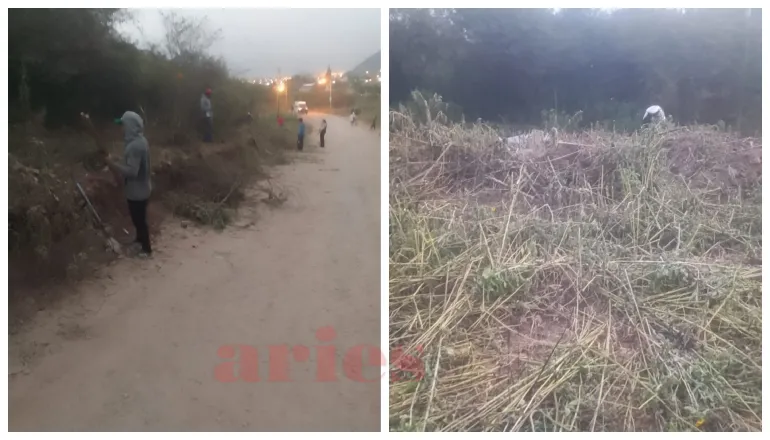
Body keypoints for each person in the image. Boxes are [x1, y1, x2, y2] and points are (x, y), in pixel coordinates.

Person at [106, 111, 152, 257]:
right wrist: (118, 160)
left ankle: (146, 249)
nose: (121, 129)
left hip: (137, 191)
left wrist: (112, 165)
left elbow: (132, 172)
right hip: (142, 188)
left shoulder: (135, 146)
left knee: (139, 220)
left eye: (123, 125)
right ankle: (139, 240)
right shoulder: (139, 141)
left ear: (131, 127)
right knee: (138, 219)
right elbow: (132, 162)